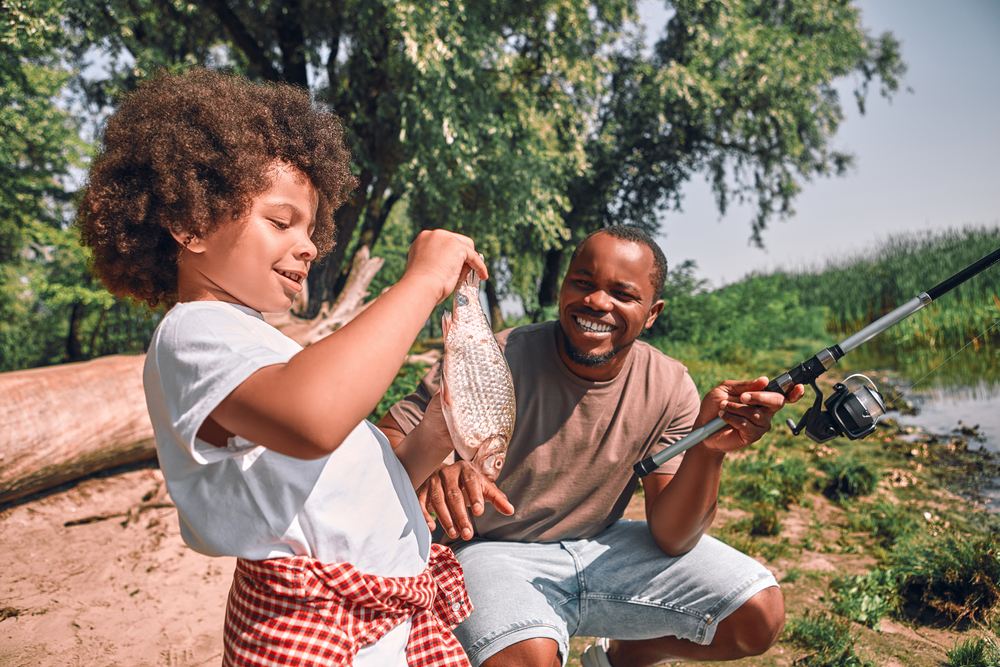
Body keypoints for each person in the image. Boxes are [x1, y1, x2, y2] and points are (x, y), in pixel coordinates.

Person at [76, 68, 487, 667]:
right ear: (191, 224)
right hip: (315, 625)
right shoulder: (193, 331)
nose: (311, 245)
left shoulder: (272, 353)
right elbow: (311, 419)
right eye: (279, 221)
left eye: (311, 228)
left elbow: (348, 484)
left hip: (383, 618)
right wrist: (422, 281)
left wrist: (434, 438)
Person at [377, 225, 805, 667]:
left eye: (623, 293)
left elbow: (673, 537)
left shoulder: (671, 384)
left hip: (602, 545)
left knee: (757, 616)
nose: (598, 302)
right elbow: (387, 436)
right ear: (563, 287)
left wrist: (707, 451)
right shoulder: (493, 353)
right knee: (526, 658)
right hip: (490, 551)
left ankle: (622, 659)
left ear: (653, 312)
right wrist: (434, 467)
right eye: (583, 282)